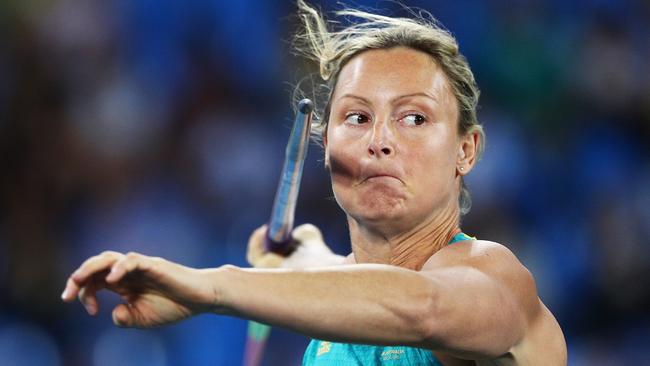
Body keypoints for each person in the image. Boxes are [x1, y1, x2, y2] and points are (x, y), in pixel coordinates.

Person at [61, 1, 567, 364]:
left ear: (466, 149)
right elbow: (358, 287)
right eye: (356, 117)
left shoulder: (496, 279)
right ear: (326, 148)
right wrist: (306, 260)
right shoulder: (332, 304)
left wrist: (212, 288)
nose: (380, 141)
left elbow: (423, 309)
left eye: (414, 118)